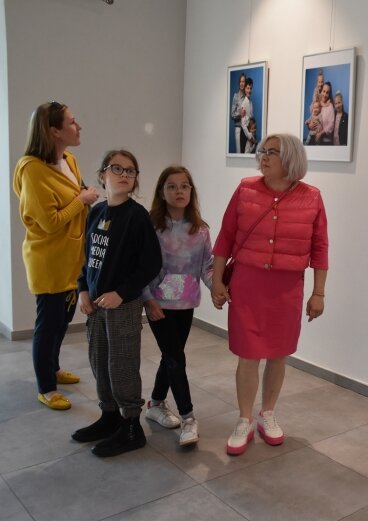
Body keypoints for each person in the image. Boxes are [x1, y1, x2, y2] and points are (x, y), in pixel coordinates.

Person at [211, 133, 328, 456]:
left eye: (272, 152)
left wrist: (319, 292)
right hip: (248, 284)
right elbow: (225, 237)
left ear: (290, 157)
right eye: (262, 151)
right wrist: (218, 281)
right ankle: (244, 418)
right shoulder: (246, 188)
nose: (263, 156)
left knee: (278, 353)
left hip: (287, 288)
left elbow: (320, 248)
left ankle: (268, 414)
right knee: (248, 354)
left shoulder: (312, 197)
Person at [71, 150, 162, 458]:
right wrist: (83, 289)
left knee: (122, 363)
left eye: (131, 171)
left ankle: (131, 426)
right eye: (117, 168)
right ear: (102, 174)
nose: (124, 174)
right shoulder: (95, 212)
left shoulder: (137, 216)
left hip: (121, 304)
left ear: (135, 180)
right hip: (96, 304)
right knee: (99, 360)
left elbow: (151, 263)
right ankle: (109, 416)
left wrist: (122, 293)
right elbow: (88, 258)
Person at [13, 101, 100, 411]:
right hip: (48, 261)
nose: (79, 127)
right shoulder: (32, 170)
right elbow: (49, 222)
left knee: (62, 321)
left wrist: (85, 193)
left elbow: (75, 192)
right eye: (73, 122)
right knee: (47, 324)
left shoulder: (69, 159)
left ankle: (52, 368)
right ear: (54, 131)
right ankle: (46, 387)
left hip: (71, 258)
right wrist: (83, 199)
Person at [142, 166, 213, 446]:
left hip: (186, 303)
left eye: (184, 186)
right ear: (162, 192)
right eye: (172, 186)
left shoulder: (201, 229)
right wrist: (148, 299)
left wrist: (216, 288)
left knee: (171, 355)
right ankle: (188, 417)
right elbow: (140, 267)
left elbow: (207, 266)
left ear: (191, 191)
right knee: (175, 358)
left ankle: (156, 404)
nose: (179, 191)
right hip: (158, 303)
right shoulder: (151, 227)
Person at [230, 73, 247, 153]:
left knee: (245, 152)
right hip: (238, 129)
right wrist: (240, 114)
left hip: (245, 130)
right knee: (239, 152)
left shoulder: (247, 97)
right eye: (240, 81)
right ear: (238, 83)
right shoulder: (235, 96)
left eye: (243, 81)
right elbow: (232, 115)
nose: (242, 83)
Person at [239, 77, 255, 154]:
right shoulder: (244, 103)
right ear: (245, 89)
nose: (249, 90)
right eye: (248, 88)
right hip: (244, 133)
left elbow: (251, 119)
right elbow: (243, 124)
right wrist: (249, 136)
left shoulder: (251, 103)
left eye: (251, 88)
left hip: (249, 132)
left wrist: (252, 134)